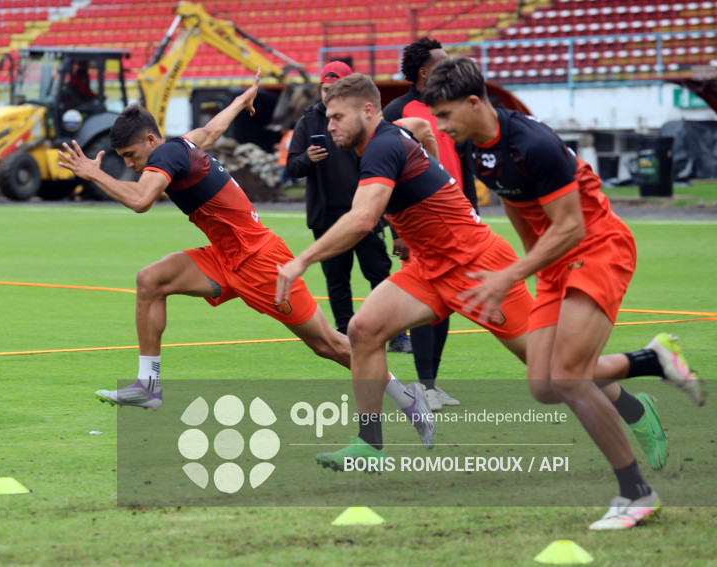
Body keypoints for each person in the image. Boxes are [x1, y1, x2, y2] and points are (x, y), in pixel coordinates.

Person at [276, 73, 697, 498]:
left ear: (368, 111)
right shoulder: (394, 133)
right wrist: (430, 178)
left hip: (479, 267)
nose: (328, 126)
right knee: (363, 330)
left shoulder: (384, 144)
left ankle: (636, 399)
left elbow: (363, 219)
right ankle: (370, 444)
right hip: (430, 267)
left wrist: (301, 260)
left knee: (552, 375)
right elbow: (421, 131)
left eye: (336, 116)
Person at [57, 70, 433, 446]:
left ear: (151, 140)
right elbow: (212, 131)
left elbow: (141, 200)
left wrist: (93, 172)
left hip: (260, 262)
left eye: (131, 156)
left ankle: (408, 399)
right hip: (224, 257)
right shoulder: (181, 146)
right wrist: (241, 101)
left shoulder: (166, 155)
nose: (131, 165)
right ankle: (148, 385)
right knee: (150, 280)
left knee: (328, 346)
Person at [421, 57, 704, 530]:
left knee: (570, 377)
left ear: (474, 103)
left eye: (446, 115)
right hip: (555, 258)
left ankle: (636, 493)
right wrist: (536, 271)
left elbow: (572, 226)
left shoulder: (533, 143)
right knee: (545, 386)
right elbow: (517, 207)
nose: (442, 127)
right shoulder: (478, 151)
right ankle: (652, 361)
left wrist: (510, 275)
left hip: (597, 247)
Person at [287, 60, 410, 352]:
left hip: (365, 212)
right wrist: (308, 159)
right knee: (337, 281)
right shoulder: (309, 121)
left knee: (379, 274)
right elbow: (292, 166)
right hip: (327, 216)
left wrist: (394, 228)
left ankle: (396, 335)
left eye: (334, 89)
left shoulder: (363, 122)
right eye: (324, 89)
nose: (327, 95)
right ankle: (346, 336)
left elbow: (388, 178)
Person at [383, 37, 478, 409]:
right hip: (418, 222)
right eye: (443, 62)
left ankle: (431, 385)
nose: (450, 65)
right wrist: (398, 230)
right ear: (424, 71)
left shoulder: (451, 107)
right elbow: (386, 175)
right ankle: (422, 388)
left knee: (447, 301)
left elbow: (465, 165)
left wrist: (473, 213)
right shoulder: (398, 111)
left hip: (456, 220)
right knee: (426, 300)